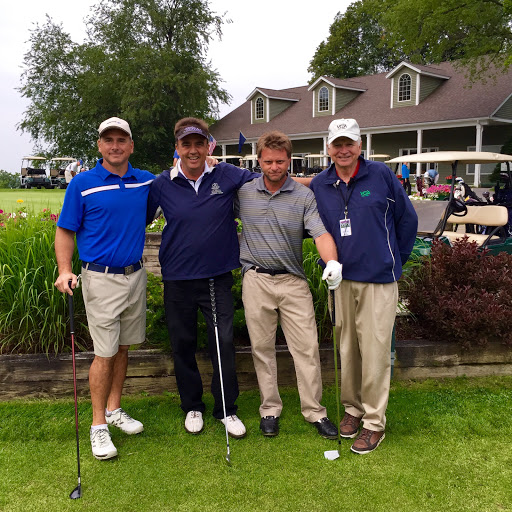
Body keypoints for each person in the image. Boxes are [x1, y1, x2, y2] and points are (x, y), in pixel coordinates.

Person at [310, 119, 418, 454]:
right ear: (328, 148)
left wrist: (393, 260)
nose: (343, 150)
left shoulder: (381, 175)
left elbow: (407, 220)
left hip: (378, 280)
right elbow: (318, 230)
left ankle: (374, 422)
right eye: (337, 144)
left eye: (349, 144)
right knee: (347, 349)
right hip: (341, 280)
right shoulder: (320, 183)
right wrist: (327, 265)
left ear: (360, 145)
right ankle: (353, 409)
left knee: (374, 352)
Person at [146, 117, 257, 439]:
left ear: (209, 146)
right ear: (177, 148)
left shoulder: (227, 174)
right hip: (177, 277)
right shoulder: (162, 183)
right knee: (182, 344)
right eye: (186, 144)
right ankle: (192, 405)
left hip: (216, 277)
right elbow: (138, 218)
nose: (193, 150)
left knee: (222, 342)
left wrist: (322, 182)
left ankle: (226, 408)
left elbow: (270, 179)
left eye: (199, 143)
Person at [54, 117, 155, 460]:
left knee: (123, 348)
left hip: (135, 276)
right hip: (100, 278)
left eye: (121, 139)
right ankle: (98, 425)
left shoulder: (144, 181)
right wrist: (64, 270)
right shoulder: (82, 183)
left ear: (131, 145)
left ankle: (114, 410)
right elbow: (65, 230)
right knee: (105, 353)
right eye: (108, 140)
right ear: (99, 145)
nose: (115, 146)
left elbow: (179, 178)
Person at [237, 131, 342, 438]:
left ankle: (315, 411)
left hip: (293, 281)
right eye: (268, 161)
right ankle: (269, 409)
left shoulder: (303, 196)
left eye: (280, 161)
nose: (274, 167)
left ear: (289, 160)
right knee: (262, 348)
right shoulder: (243, 192)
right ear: (259, 160)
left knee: (306, 348)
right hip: (256, 279)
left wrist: (331, 262)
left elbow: (320, 233)